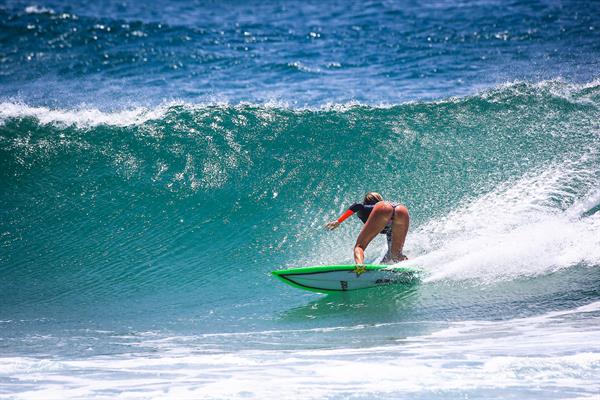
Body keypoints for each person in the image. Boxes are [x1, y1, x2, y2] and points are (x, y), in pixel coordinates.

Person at [325, 192, 409, 265]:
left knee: (359, 246)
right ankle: (412, 265)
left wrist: (338, 221)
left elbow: (357, 206)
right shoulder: (381, 209)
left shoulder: (367, 208)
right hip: (401, 209)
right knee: (395, 255)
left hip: (384, 208)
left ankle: (360, 266)